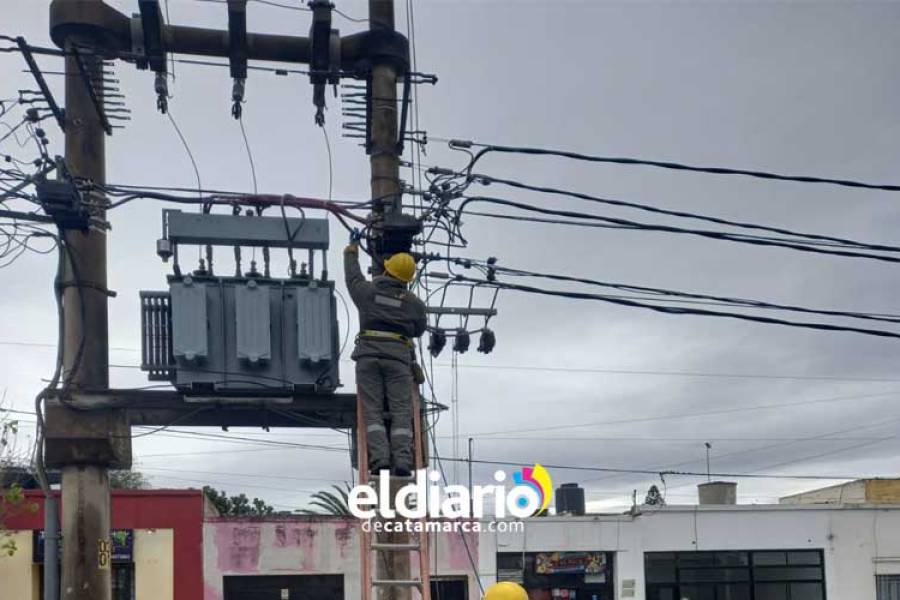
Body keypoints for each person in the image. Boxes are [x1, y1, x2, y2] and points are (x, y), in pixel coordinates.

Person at [344, 230, 427, 476]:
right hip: (398, 360)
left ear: (386, 270)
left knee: (373, 411)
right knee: (401, 412)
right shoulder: (413, 303)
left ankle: (379, 460)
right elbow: (419, 329)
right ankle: (402, 460)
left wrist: (352, 249)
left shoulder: (367, 293)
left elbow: (352, 277)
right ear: (407, 279)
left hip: (368, 357)